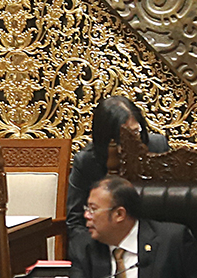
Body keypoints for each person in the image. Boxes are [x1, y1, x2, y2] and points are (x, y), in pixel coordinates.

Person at [67, 176, 197, 278]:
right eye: (87, 209)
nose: (86, 215)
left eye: (93, 209)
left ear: (119, 214)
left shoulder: (172, 240)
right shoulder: (84, 246)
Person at [66, 96, 169, 245]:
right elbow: (75, 221)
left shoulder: (157, 147)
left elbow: (172, 210)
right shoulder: (86, 162)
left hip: (152, 242)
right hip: (104, 244)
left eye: (135, 133)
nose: (126, 146)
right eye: (117, 140)